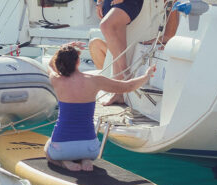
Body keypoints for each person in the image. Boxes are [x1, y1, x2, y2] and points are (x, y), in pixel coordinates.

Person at [46, 43, 156, 171]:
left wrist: (62, 48)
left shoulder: (56, 80)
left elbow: (49, 65)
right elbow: (127, 86)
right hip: (90, 148)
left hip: (62, 148)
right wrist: (146, 76)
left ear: (59, 61)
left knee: (48, 151)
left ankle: (66, 162)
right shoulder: (94, 80)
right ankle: (86, 160)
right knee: (84, 150)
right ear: (78, 62)